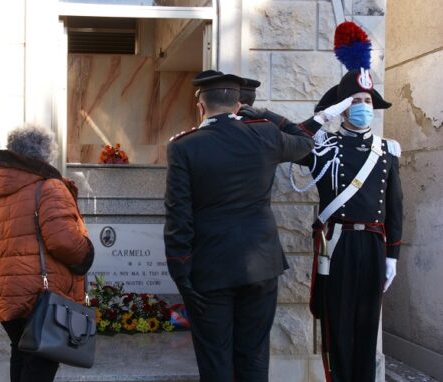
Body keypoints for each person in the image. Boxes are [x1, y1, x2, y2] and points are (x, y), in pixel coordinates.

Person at [164, 70, 314, 382]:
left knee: (216, 360)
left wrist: (181, 271)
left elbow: (179, 216)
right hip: (260, 265)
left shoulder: (184, 146)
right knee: (254, 356)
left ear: (200, 106)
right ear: (237, 106)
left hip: (210, 269)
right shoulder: (265, 134)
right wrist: (265, 114)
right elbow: (304, 141)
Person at [286, 21, 403, 382]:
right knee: (336, 322)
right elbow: (291, 140)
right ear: (342, 107)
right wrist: (324, 116)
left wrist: (393, 256)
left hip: (372, 245)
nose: (364, 107)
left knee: (367, 326)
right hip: (335, 245)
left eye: (367, 102)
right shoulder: (325, 148)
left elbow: (396, 205)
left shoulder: (387, 150)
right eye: (356, 102)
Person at [0, 124, 94, 382]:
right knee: (41, 362)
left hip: (4, 291)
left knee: (21, 353)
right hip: (38, 293)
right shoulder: (48, 187)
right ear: (45, 154)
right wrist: (87, 253)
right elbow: (64, 240)